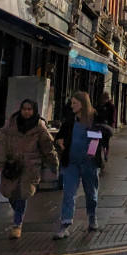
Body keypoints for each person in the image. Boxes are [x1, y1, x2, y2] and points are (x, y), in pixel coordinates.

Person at [0, 99, 59, 239]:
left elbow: (47, 146)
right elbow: (0, 142)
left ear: (34, 111)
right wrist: (0, 162)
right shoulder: (10, 124)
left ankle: (17, 224)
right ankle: (18, 215)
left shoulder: (39, 127)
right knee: (10, 194)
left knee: (22, 195)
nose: (27, 112)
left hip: (30, 167)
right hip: (11, 166)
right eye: (24, 109)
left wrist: (53, 163)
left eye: (30, 109)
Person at [53, 92, 104, 239]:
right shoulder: (70, 119)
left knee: (91, 193)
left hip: (90, 163)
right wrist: (60, 142)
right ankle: (65, 224)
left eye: (75, 103)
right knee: (69, 194)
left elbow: (105, 133)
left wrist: (97, 139)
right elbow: (60, 136)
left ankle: (92, 216)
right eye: (72, 103)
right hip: (71, 162)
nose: (72, 105)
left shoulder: (95, 118)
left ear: (83, 103)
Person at [95, 92, 116, 164]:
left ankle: (104, 154)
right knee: (102, 141)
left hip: (105, 127)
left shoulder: (109, 106)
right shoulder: (100, 105)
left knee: (104, 141)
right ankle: (101, 154)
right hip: (100, 126)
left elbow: (112, 117)